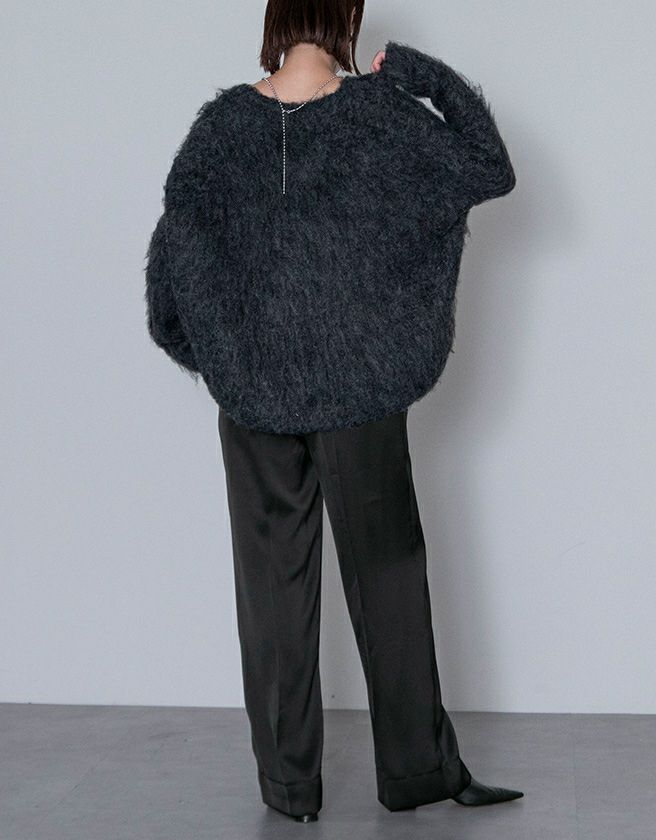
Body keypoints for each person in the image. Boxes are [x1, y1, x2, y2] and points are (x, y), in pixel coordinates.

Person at [144, 0, 522, 823]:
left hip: (254, 401)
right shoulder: (383, 117)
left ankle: (290, 791)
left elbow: (172, 266)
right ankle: (419, 773)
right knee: (389, 579)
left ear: (276, 18)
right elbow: (488, 167)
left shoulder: (219, 131)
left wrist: (223, 361)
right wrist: (420, 75)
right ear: (347, 17)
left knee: (271, 591)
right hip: (361, 393)